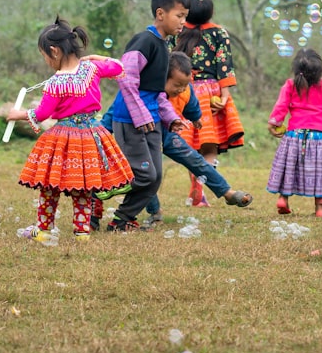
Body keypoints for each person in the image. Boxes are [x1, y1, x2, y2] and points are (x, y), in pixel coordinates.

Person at [7, 18, 133, 240]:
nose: (46, 61)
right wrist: (96, 57)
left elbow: (42, 114)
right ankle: (82, 232)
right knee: (83, 186)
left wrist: (20, 114)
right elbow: (118, 67)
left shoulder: (55, 83)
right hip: (91, 134)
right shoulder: (92, 68)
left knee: (49, 185)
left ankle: (43, 230)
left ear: (54, 51)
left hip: (63, 138)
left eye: (44, 55)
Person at [104, 51, 254, 227]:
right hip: (142, 134)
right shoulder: (143, 89)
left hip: (167, 135)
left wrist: (196, 118)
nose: (182, 89)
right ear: (161, 77)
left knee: (194, 159)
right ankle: (154, 211)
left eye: (185, 84)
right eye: (177, 85)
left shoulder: (185, 89)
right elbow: (116, 110)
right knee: (148, 173)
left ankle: (227, 192)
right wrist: (102, 131)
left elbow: (192, 105)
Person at [100, 0, 190, 232]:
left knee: (155, 178)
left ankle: (121, 220)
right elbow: (126, 80)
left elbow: (158, 92)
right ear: (161, 13)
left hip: (151, 121)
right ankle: (98, 193)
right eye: (179, 16)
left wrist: (171, 118)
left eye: (185, 17)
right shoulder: (144, 42)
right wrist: (140, 116)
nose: (183, 22)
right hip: (130, 120)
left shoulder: (164, 46)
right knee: (144, 175)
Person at [173, 0, 245, 206]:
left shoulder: (177, 31)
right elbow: (225, 65)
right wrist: (225, 95)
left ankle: (196, 188)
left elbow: (170, 62)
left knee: (190, 146)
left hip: (185, 91)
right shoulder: (219, 32)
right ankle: (201, 186)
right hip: (211, 92)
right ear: (210, 12)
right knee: (209, 145)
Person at [266, 48, 322, 217]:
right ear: (319, 70)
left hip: (294, 135)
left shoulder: (290, 85)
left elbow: (281, 106)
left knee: (289, 168)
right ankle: (320, 209)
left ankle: (283, 199)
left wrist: (273, 124)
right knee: (321, 171)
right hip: (319, 137)